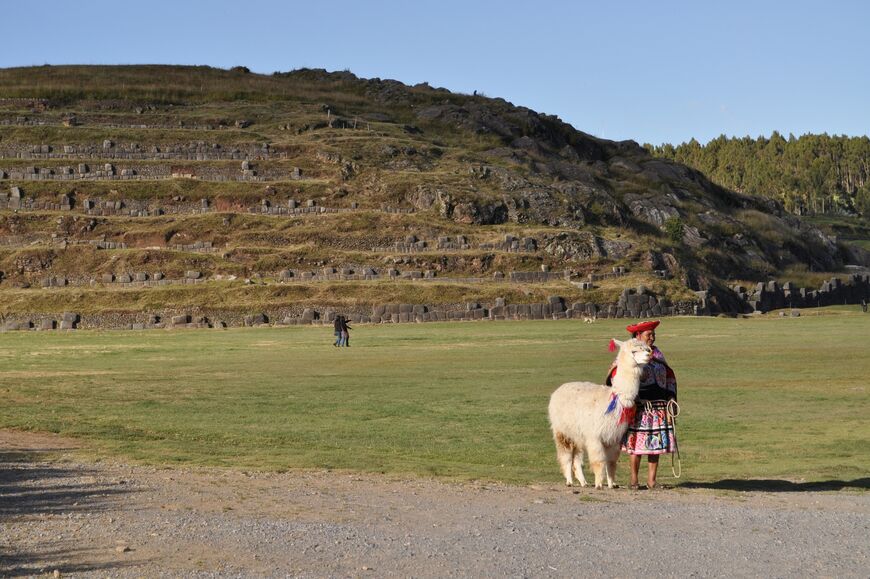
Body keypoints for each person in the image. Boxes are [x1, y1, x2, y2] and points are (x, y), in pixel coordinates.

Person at [606, 320, 677, 490]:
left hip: (659, 406)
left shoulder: (658, 354)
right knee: (636, 446)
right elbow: (616, 375)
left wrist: (671, 397)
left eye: (653, 334)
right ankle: (634, 481)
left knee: (656, 445)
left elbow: (669, 376)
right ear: (638, 336)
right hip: (638, 407)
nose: (652, 338)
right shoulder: (629, 353)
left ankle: (652, 481)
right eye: (648, 334)